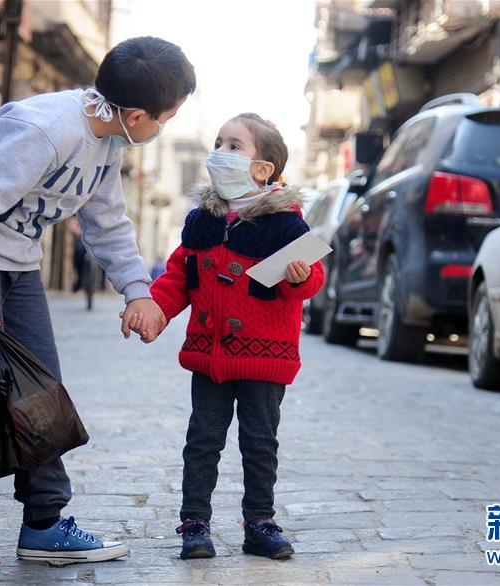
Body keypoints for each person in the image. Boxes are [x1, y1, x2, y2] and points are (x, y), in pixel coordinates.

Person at [0, 36, 194, 570]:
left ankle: (43, 523)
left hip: (17, 260)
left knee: (40, 392)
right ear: (137, 115)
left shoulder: (107, 142)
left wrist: (137, 290)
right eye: (167, 118)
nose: (164, 128)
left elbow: (107, 223)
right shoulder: (45, 130)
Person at [133, 113, 325, 560]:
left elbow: (313, 277)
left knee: (260, 442)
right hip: (209, 357)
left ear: (262, 169)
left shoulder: (285, 223)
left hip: (264, 360)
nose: (220, 152)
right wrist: (155, 309)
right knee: (202, 441)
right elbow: (179, 275)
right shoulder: (202, 220)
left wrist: (298, 277)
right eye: (218, 143)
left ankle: (259, 522)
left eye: (234, 146)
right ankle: (194, 523)